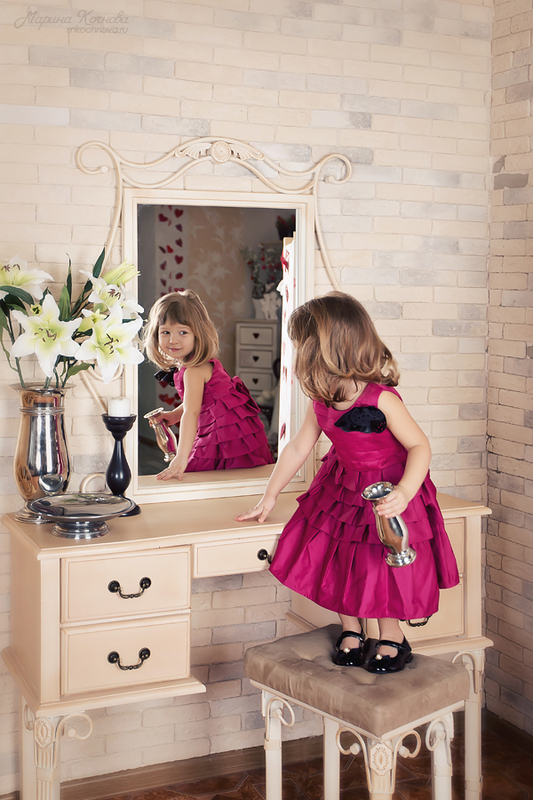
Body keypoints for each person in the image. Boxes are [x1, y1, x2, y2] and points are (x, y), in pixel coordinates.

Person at [236, 292, 459, 674]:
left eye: (300, 346)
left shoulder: (382, 399)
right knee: (339, 558)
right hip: (342, 487)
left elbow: (420, 446)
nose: (296, 354)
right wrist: (269, 496)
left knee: (380, 564)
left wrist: (405, 492)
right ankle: (351, 628)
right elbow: (298, 447)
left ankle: (393, 635)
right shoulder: (320, 400)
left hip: (388, 488)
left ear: (322, 350)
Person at [143, 290, 274, 479]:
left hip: (227, 436)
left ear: (198, 334)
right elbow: (201, 400)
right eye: (165, 332)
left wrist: (181, 456)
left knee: (206, 476)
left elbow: (192, 412)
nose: (173, 340)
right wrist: (174, 414)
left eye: (183, 332)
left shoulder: (194, 371)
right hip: (232, 431)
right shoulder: (195, 365)